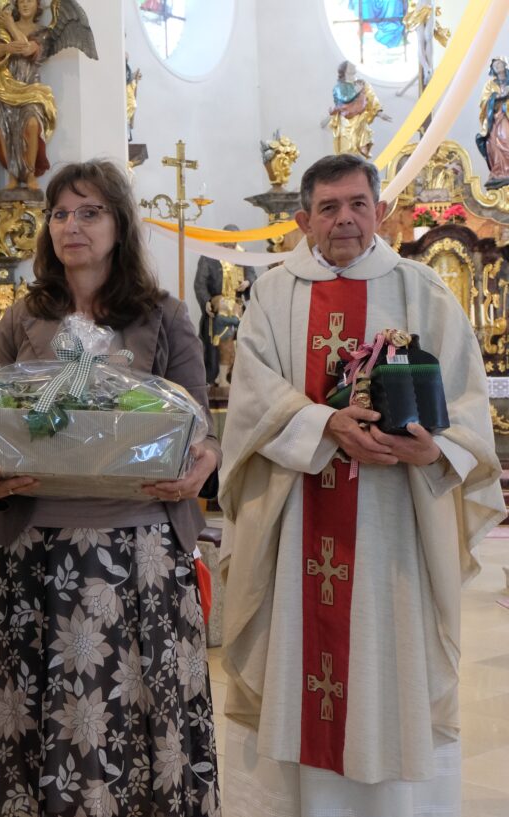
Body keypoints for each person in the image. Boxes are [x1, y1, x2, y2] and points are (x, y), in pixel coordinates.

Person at [219, 153, 504, 816]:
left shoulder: (421, 290)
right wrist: (327, 425)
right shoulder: (274, 294)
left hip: (393, 525)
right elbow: (254, 394)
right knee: (304, 678)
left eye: (356, 204)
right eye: (328, 207)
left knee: (387, 668)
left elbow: (466, 402)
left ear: (383, 212)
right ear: (303, 219)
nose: (344, 219)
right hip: (300, 520)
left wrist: (435, 447)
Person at [0, 160, 221, 817]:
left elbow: (200, 426)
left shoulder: (162, 316)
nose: (72, 226)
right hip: (37, 557)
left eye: (90, 212)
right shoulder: (24, 317)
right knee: (39, 723)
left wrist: (197, 465)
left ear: (119, 225)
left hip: (140, 557)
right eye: (60, 214)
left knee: (137, 716)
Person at [0, 0, 55, 191]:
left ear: (37, 5)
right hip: (5, 86)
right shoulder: (3, 31)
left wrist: (10, 24)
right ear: (16, 5)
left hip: (30, 87)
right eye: (21, 1)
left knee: (32, 124)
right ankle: (12, 175)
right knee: (5, 131)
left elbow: (27, 49)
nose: (25, 5)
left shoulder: (42, 32)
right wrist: (5, 48)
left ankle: (29, 173)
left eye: (30, 1)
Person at [192, 225, 259, 389]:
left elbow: (251, 274)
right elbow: (200, 283)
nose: (230, 243)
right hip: (218, 303)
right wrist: (206, 301)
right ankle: (217, 375)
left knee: (239, 340)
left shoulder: (243, 255)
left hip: (236, 304)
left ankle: (231, 376)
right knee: (222, 332)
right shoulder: (209, 256)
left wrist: (247, 282)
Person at [326, 60, 390, 159]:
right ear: (345, 72)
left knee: (359, 149)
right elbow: (344, 98)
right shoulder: (339, 87)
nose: (353, 72)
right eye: (350, 70)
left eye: (354, 70)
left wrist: (379, 112)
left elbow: (371, 97)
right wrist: (356, 90)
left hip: (360, 120)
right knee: (347, 149)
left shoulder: (361, 84)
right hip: (345, 122)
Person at [477, 56, 509, 189]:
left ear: (504, 65)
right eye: (495, 65)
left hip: (506, 116)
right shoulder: (490, 84)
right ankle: (499, 172)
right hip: (495, 118)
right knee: (493, 144)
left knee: (506, 140)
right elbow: (483, 101)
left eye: (499, 64)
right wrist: (497, 97)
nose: (497, 66)